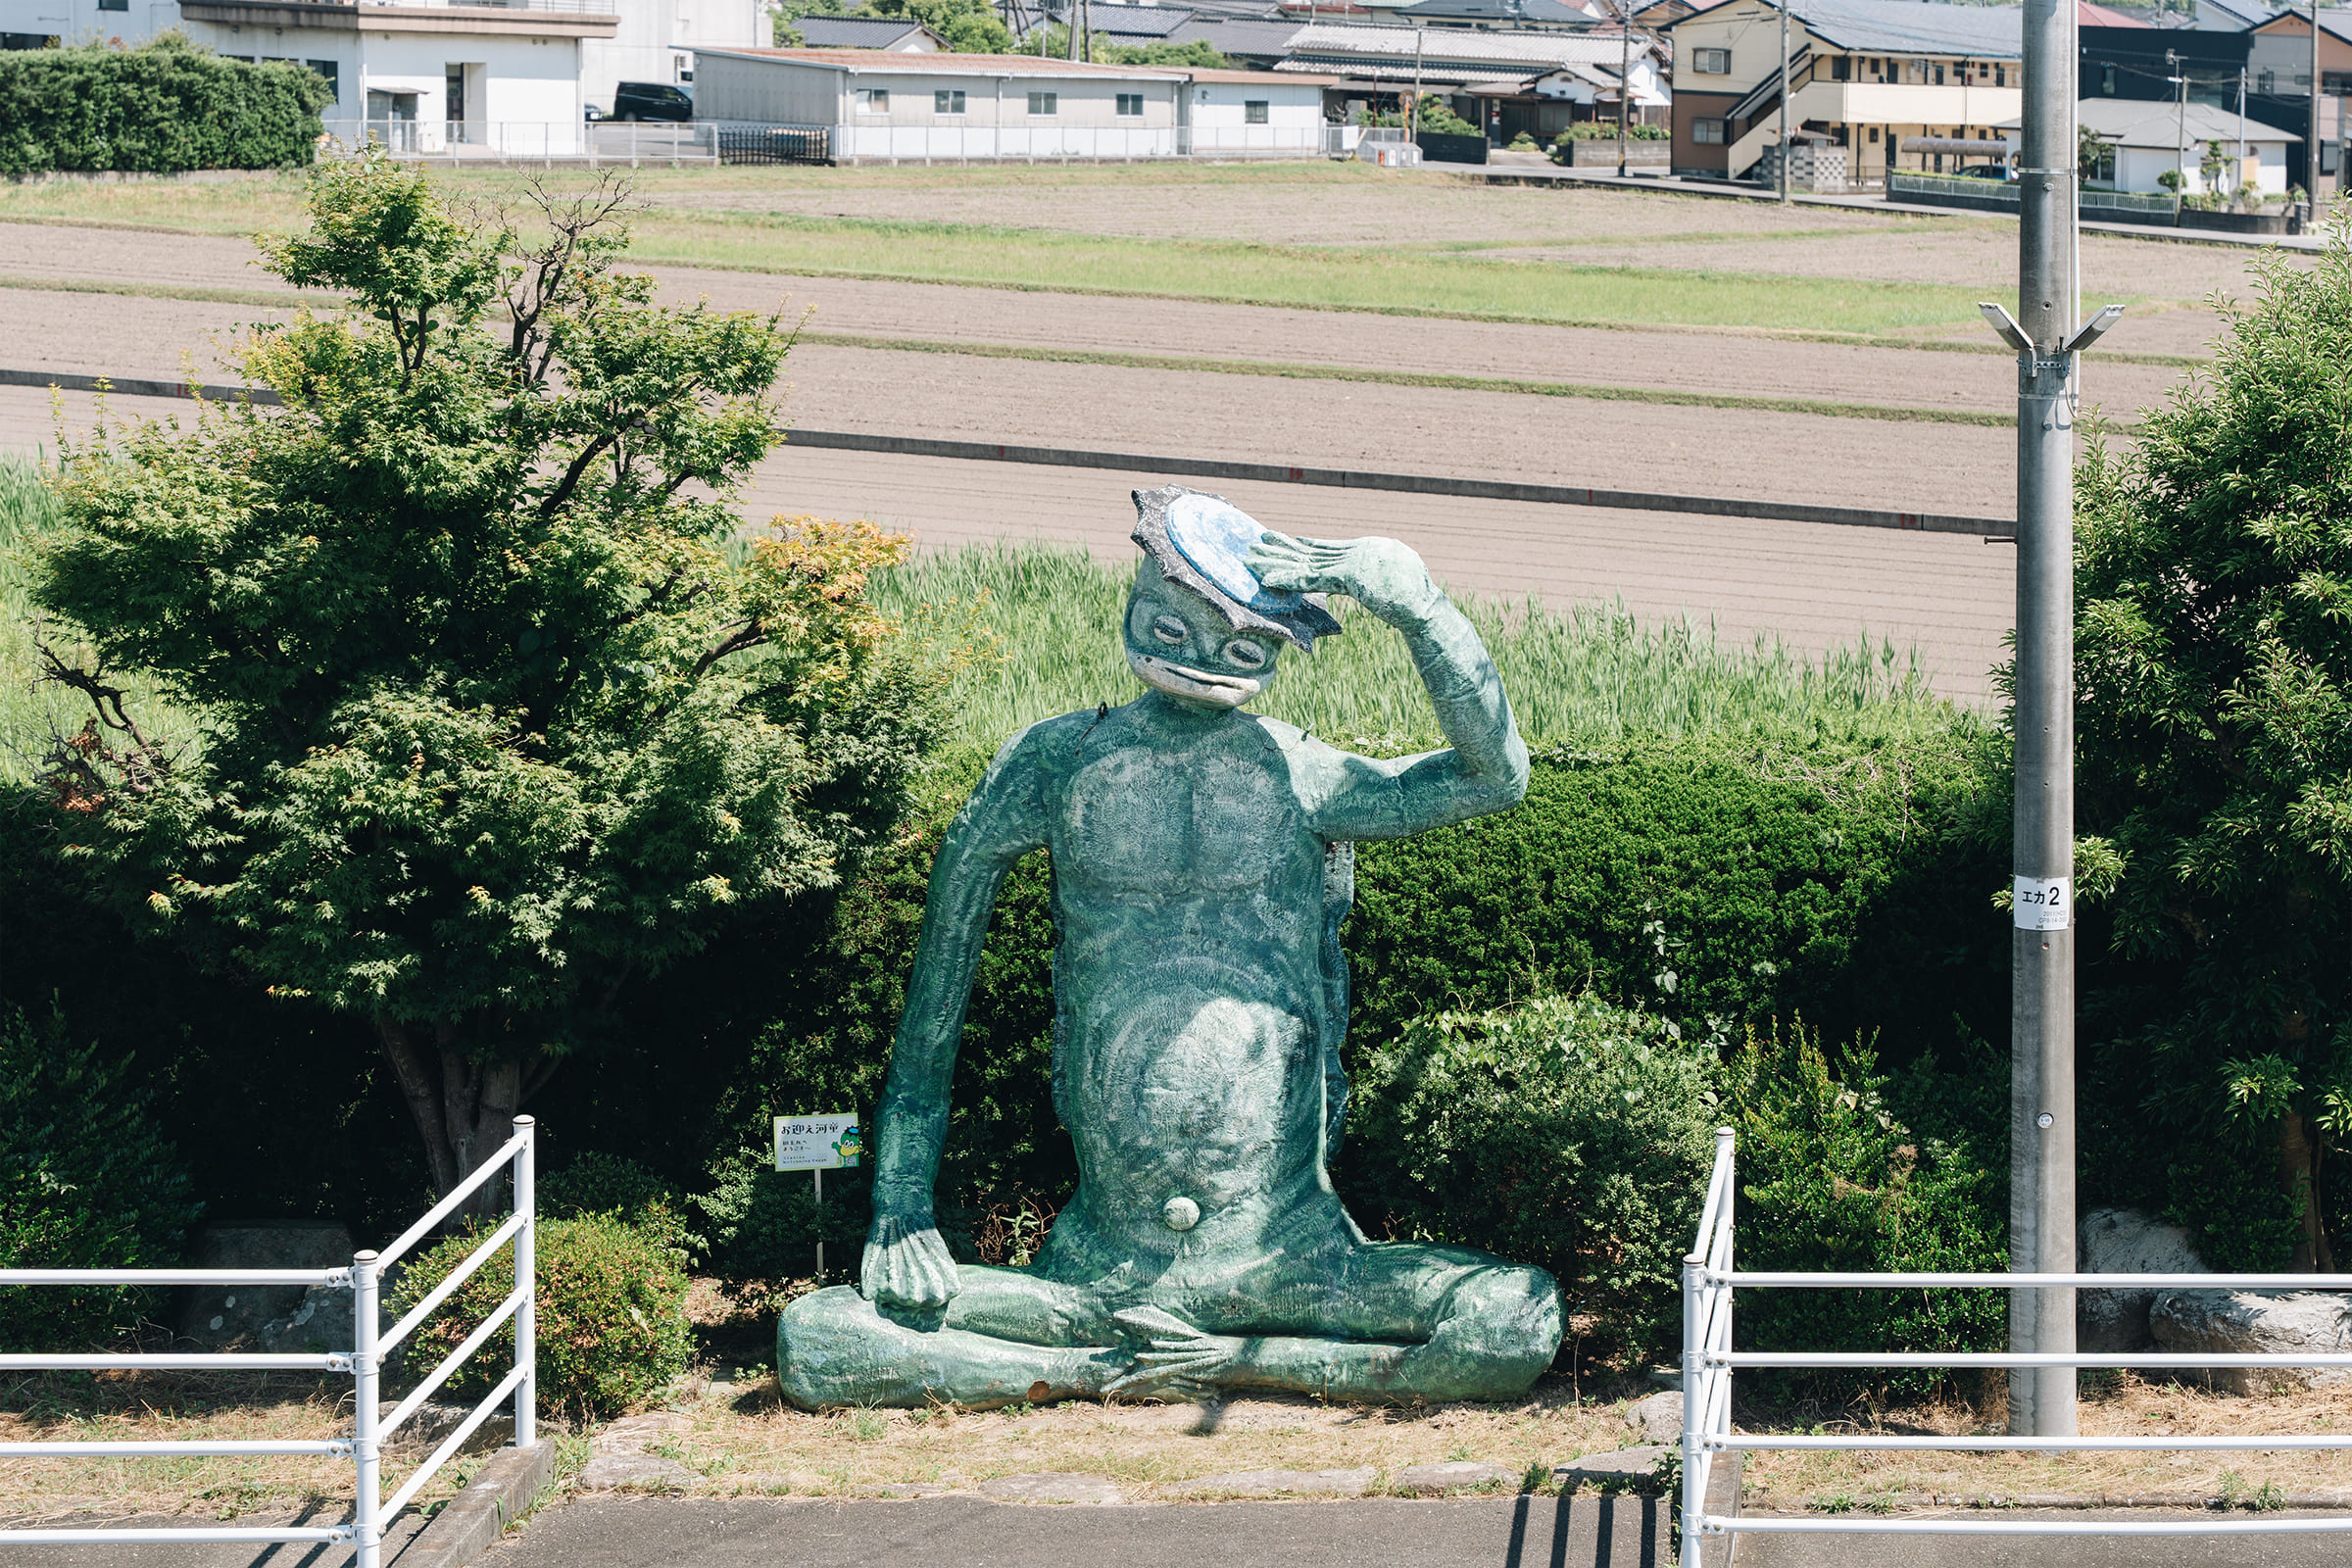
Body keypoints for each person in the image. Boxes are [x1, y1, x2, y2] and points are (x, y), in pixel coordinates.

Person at [776, 485, 1561, 1407]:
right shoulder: (1054, 762)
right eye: (1173, 623)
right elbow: (933, 1011)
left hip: (1288, 1258)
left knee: (1516, 1317)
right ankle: (1088, 1374)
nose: (1200, 657)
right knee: (818, 1335)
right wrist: (901, 1208)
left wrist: (1418, 608)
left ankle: (1217, 1362)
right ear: (1136, 605)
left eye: (1239, 642)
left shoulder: (1298, 770)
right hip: (1100, 1275)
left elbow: (1494, 776)